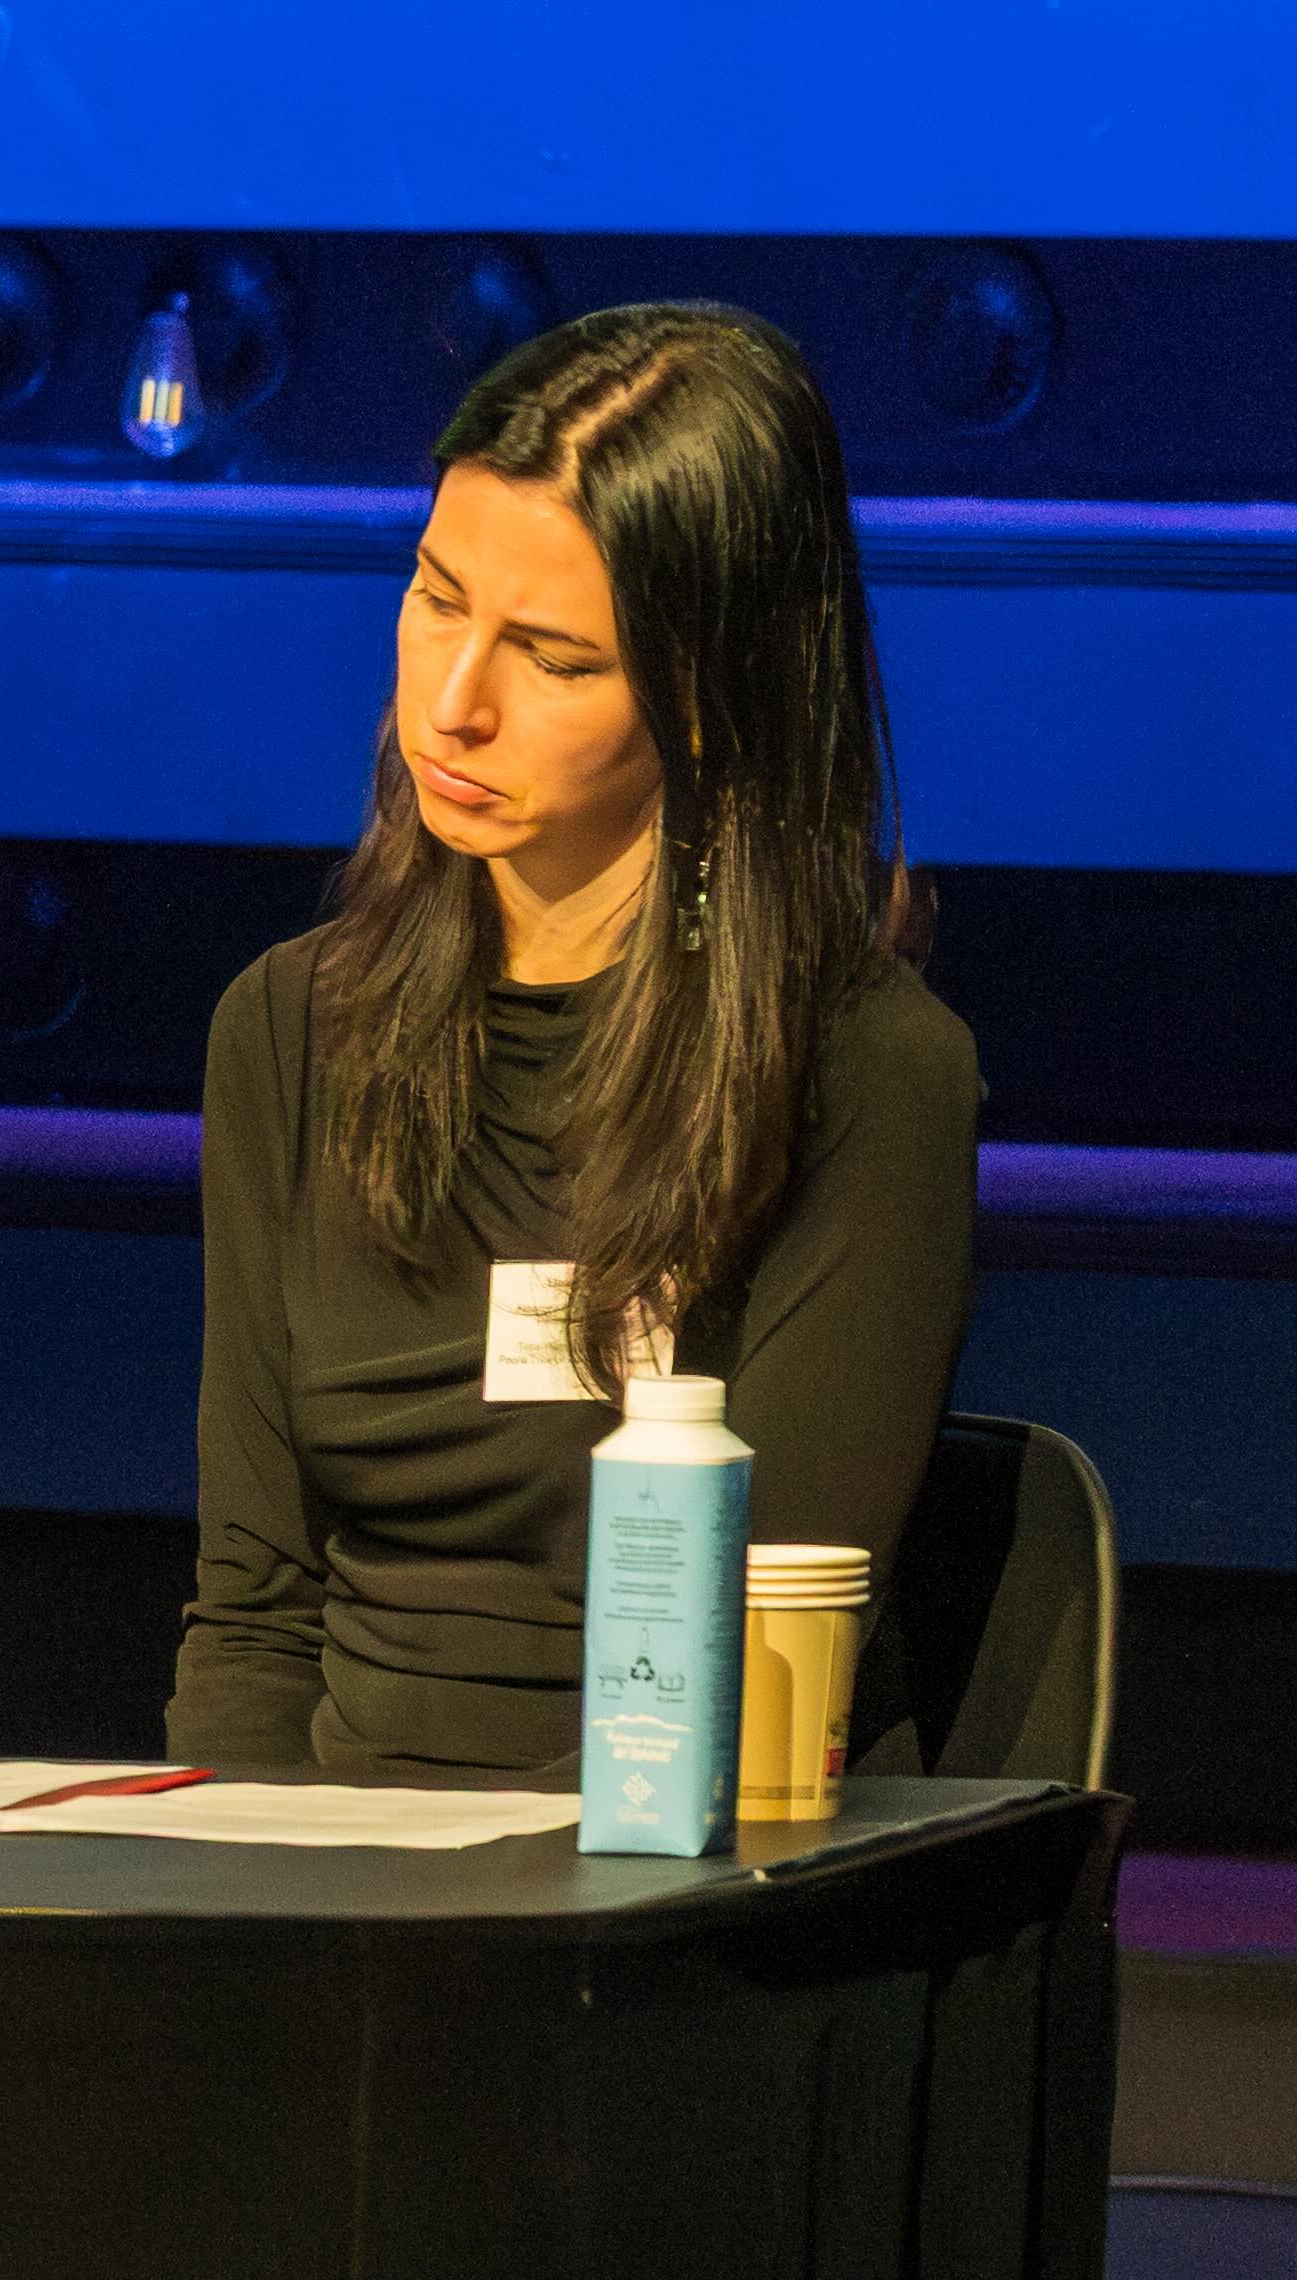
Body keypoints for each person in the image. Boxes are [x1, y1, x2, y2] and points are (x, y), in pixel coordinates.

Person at [170, 301, 980, 1777]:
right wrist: (248, 1911)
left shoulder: (865, 1072)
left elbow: (756, 1669)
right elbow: (254, 1619)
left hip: (684, 1892)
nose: (454, 701)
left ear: (712, 694)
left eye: (551, 657)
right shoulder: (289, 1028)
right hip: (342, 1902)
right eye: (434, 598)